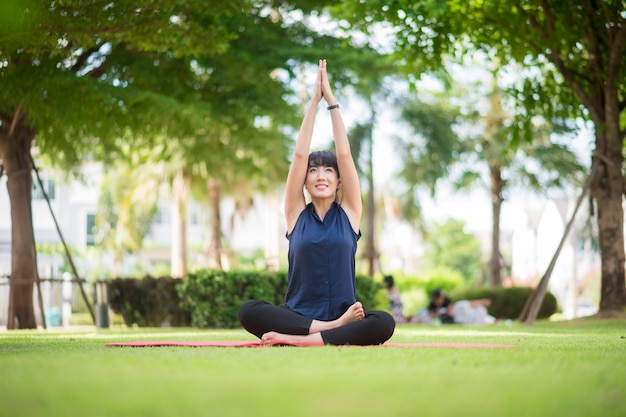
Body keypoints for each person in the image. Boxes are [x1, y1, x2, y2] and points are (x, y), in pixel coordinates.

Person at [237, 60, 395, 346]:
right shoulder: (295, 214)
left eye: (328, 171)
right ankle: (329, 330)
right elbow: (299, 156)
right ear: (305, 182)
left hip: (347, 313)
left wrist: (332, 103)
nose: (320, 175)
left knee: (384, 322)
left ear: (339, 181)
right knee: (248, 310)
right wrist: (313, 102)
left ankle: (300, 340)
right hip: (299, 316)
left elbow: (345, 157)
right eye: (313, 171)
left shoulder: (350, 214)